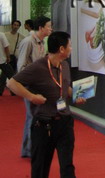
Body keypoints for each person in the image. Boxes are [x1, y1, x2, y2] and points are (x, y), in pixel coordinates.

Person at [8, 31, 85, 178]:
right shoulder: (38, 67)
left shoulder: (65, 66)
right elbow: (12, 83)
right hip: (44, 125)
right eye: (70, 46)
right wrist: (31, 97)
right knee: (40, 167)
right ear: (61, 49)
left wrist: (76, 96)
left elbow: (64, 86)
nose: (71, 49)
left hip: (65, 122)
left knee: (67, 166)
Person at [17, 16, 53, 158]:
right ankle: (30, 150)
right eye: (49, 26)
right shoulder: (28, 42)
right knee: (32, 117)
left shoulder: (42, 43)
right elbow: (21, 67)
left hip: (38, 85)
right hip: (30, 85)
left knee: (33, 117)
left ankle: (29, 149)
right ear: (40, 28)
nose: (51, 29)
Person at [0, 31, 15, 96]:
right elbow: (6, 47)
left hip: (2, 59)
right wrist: (8, 57)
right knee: (11, 76)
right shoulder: (1, 34)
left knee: (4, 75)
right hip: (2, 59)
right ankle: (14, 91)